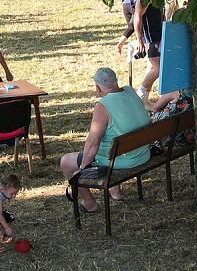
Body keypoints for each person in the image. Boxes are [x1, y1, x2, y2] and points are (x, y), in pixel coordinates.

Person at [60, 67, 152, 214]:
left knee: (66, 162)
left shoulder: (102, 105)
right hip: (142, 153)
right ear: (116, 81)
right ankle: (114, 191)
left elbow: (93, 142)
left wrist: (83, 168)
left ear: (97, 88)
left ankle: (90, 204)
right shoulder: (130, 90)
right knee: (113, 143)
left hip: (120, 160)